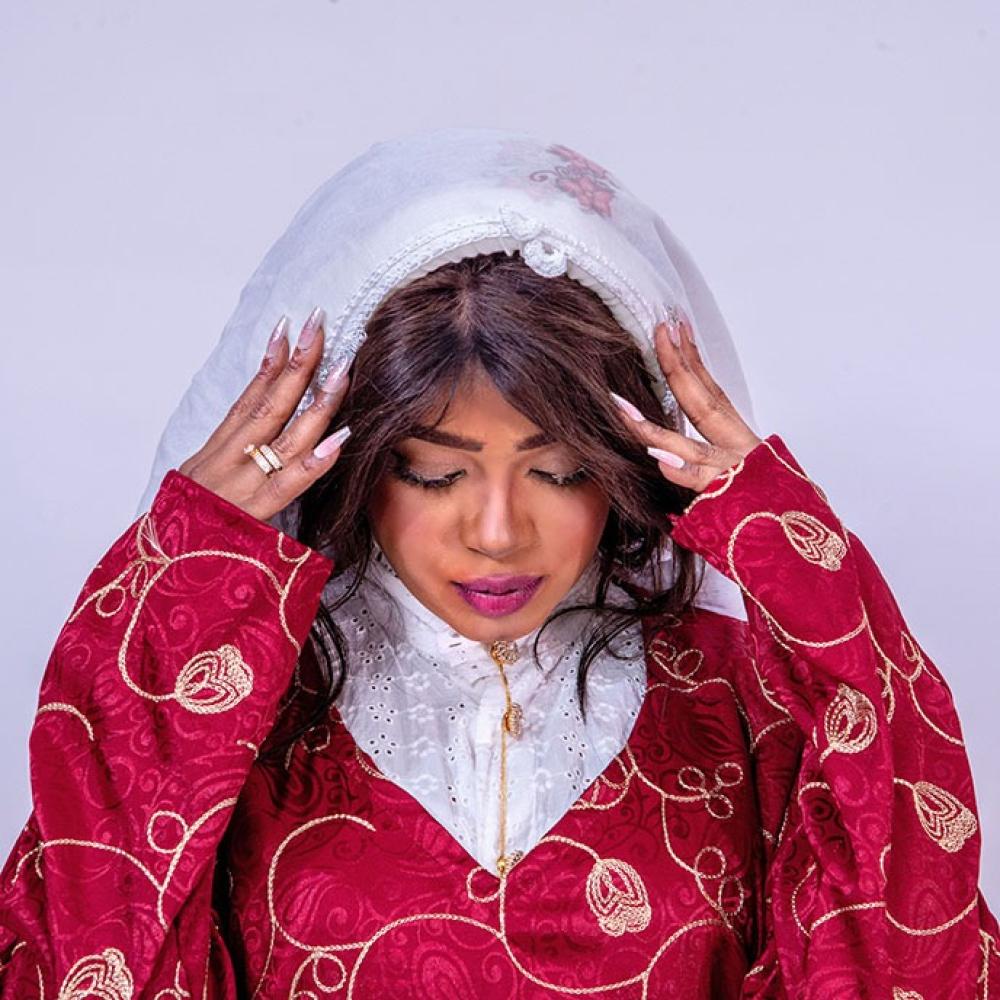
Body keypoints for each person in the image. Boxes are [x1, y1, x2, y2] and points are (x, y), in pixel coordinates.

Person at [0, 126, 996, 999]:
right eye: (434, 474)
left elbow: (914, 941)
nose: (496, 531)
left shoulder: (738, 700)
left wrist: (803, 565)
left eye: (559, 471)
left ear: (627, 464)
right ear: (351, 464)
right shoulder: (231, 707)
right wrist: (185, 585)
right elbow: (81, 945)